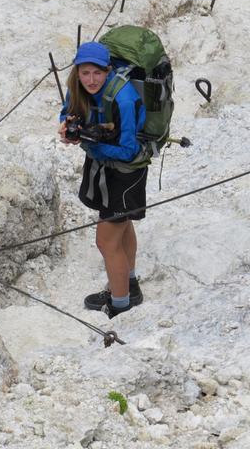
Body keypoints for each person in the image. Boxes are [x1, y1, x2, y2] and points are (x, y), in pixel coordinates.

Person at [58, 41, 147, 319]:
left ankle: (120, 305)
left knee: (106, 242)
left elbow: (129, 149)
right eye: (85, 73)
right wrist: (68, 127)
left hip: (128, 171)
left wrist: (90, 144)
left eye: (98, 73)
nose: (91, 80)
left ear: (108, 70)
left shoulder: (123, 98)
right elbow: (67, 112)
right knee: (123, 226)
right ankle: (129, 284)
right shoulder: (77, 88)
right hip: (105, 167)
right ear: (77, 72)